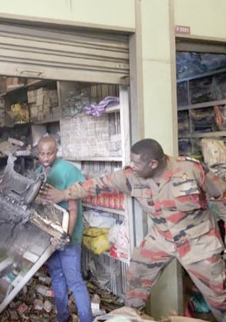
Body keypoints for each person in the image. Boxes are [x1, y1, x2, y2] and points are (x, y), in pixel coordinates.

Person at [40, 138, 226, 322]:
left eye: (136, 163)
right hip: (161, 237)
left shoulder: (190, 170)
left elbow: (222, 195)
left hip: (198, 240)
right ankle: (130, 317)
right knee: (136, 274)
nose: (132, 165)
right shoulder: (131, 175)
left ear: (153, 163)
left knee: (219, 295)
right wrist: (64, 194)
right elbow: (98, 184)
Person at [36, 136, 92, 322]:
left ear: (56, 151)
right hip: (50, 238)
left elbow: (73, 209)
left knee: (75, 281)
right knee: (57, 277)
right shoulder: (39, 173)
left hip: (69, 237)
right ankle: (63, 317)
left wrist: (66, 235)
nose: (45, 158)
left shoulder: (69, 172)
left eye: (49, 153)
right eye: (42, 154)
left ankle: (86, 319)